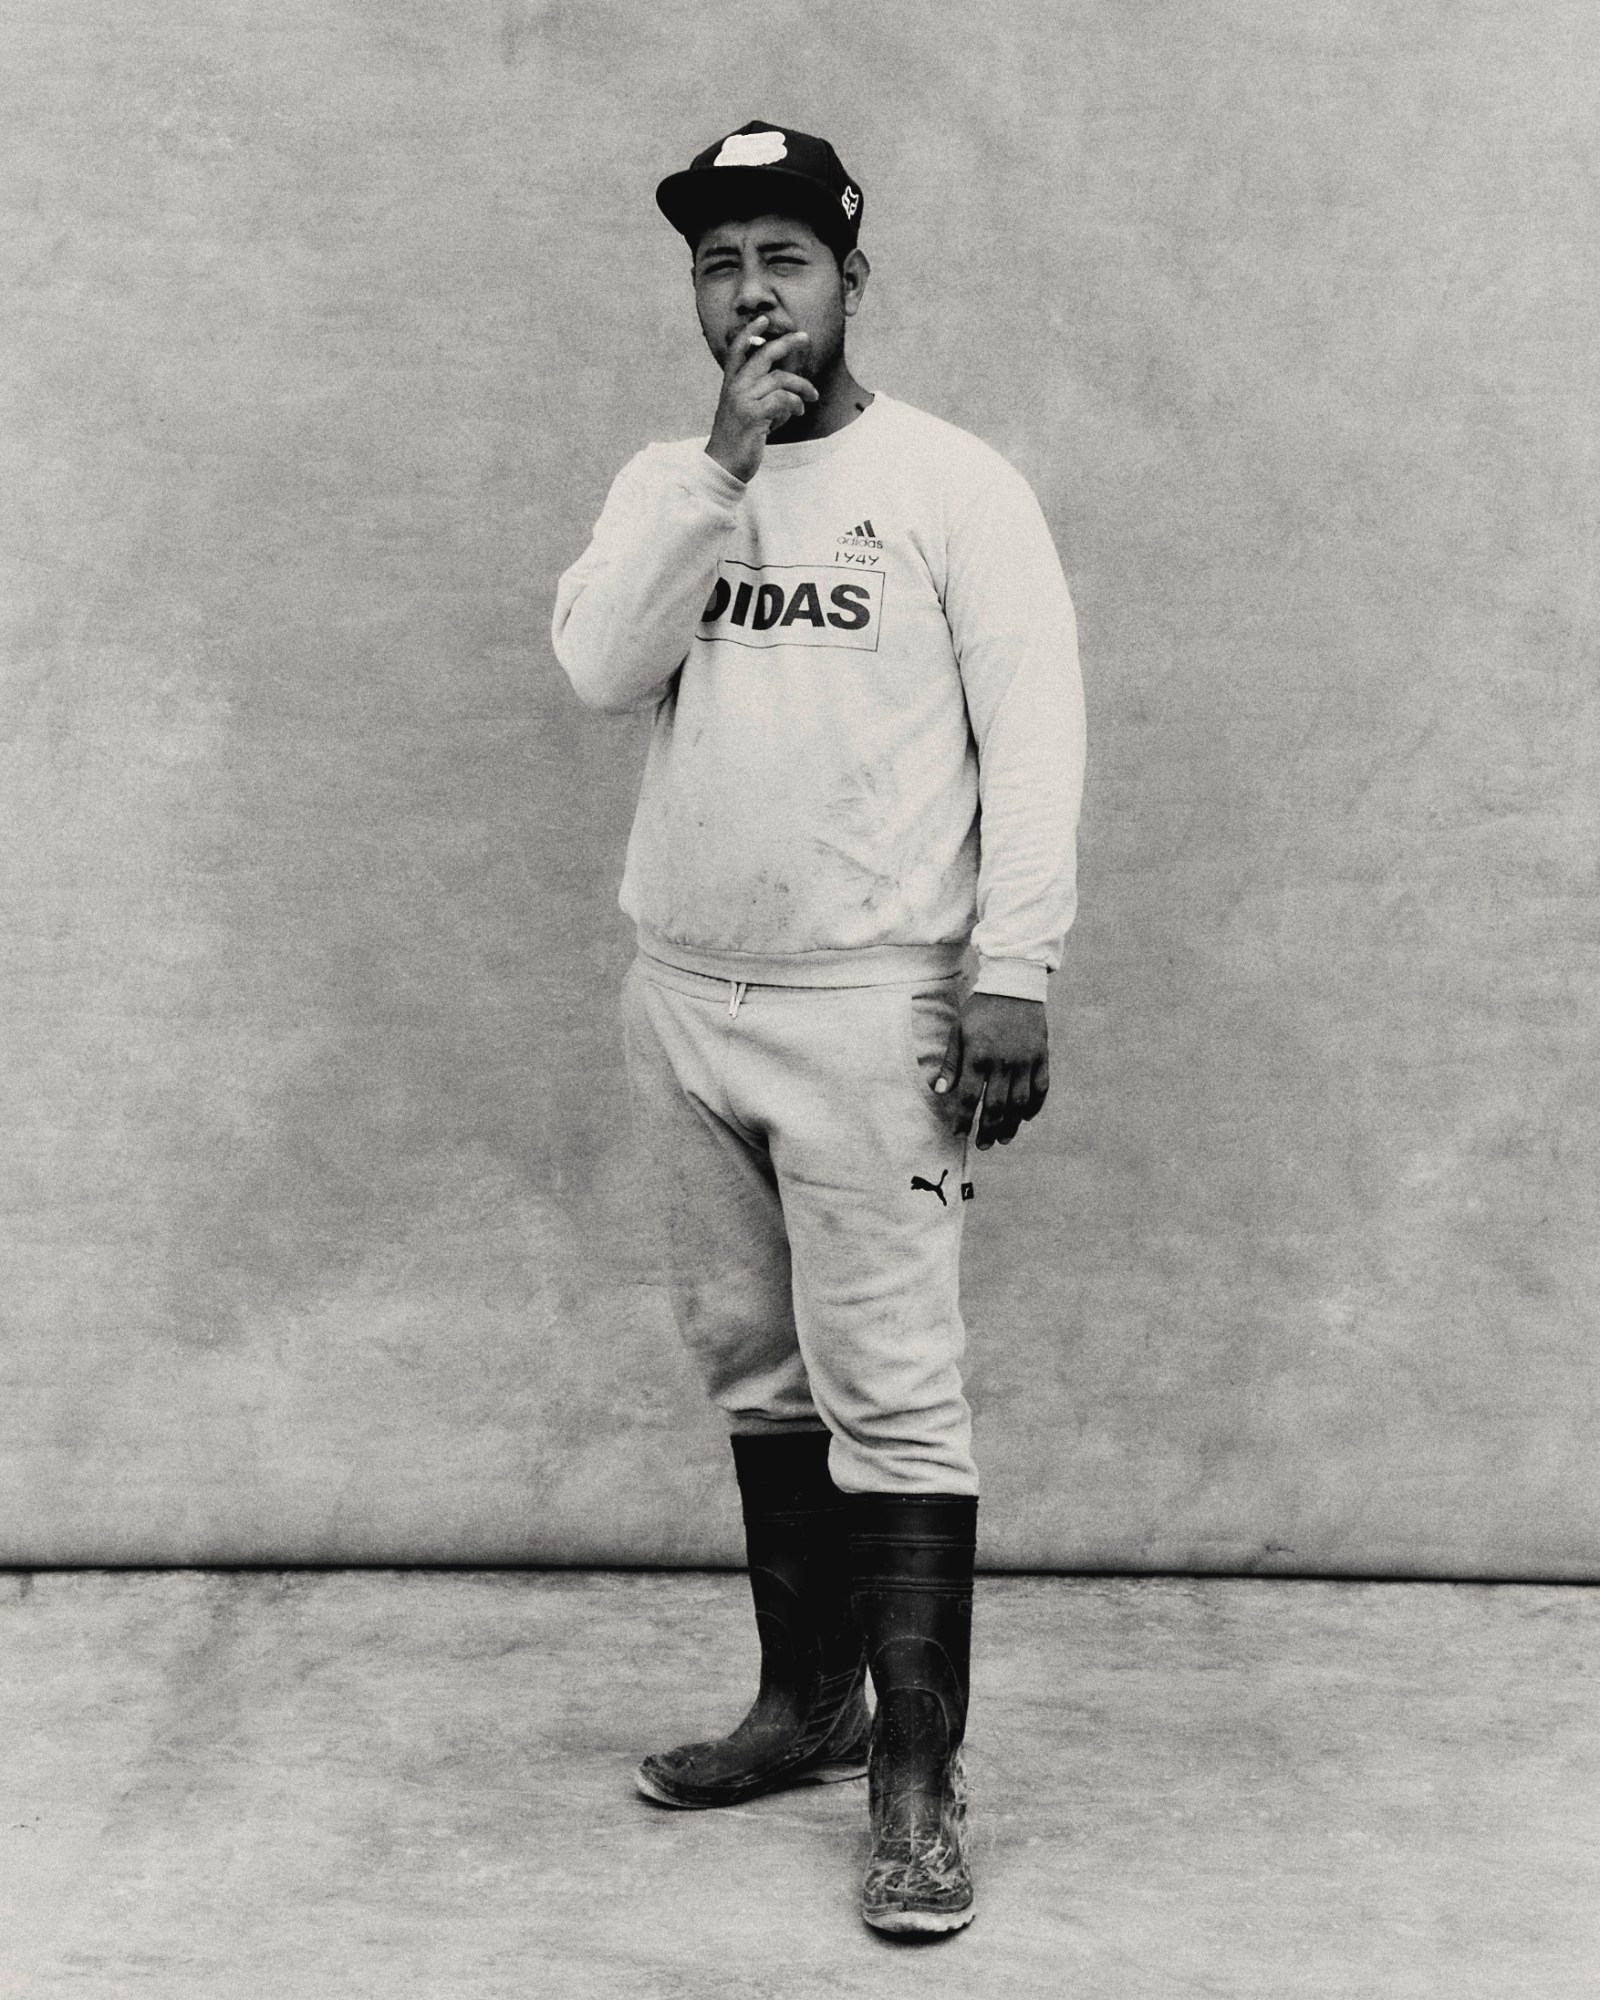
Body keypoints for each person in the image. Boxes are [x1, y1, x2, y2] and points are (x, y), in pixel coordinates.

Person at [551, 119, 1085, 1936]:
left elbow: (1038, 737)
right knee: (752, 1364)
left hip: (878, 1007)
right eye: (718, 266)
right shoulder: (668, 484)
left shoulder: (953, 486)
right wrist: (719, 471)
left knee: (894, 1390)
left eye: (782, 258)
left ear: (854, 276)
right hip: (685, 994)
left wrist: (1015, 971)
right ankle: (809, 1706)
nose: (750, 294)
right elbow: (600, 667)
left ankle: (922, 1785)